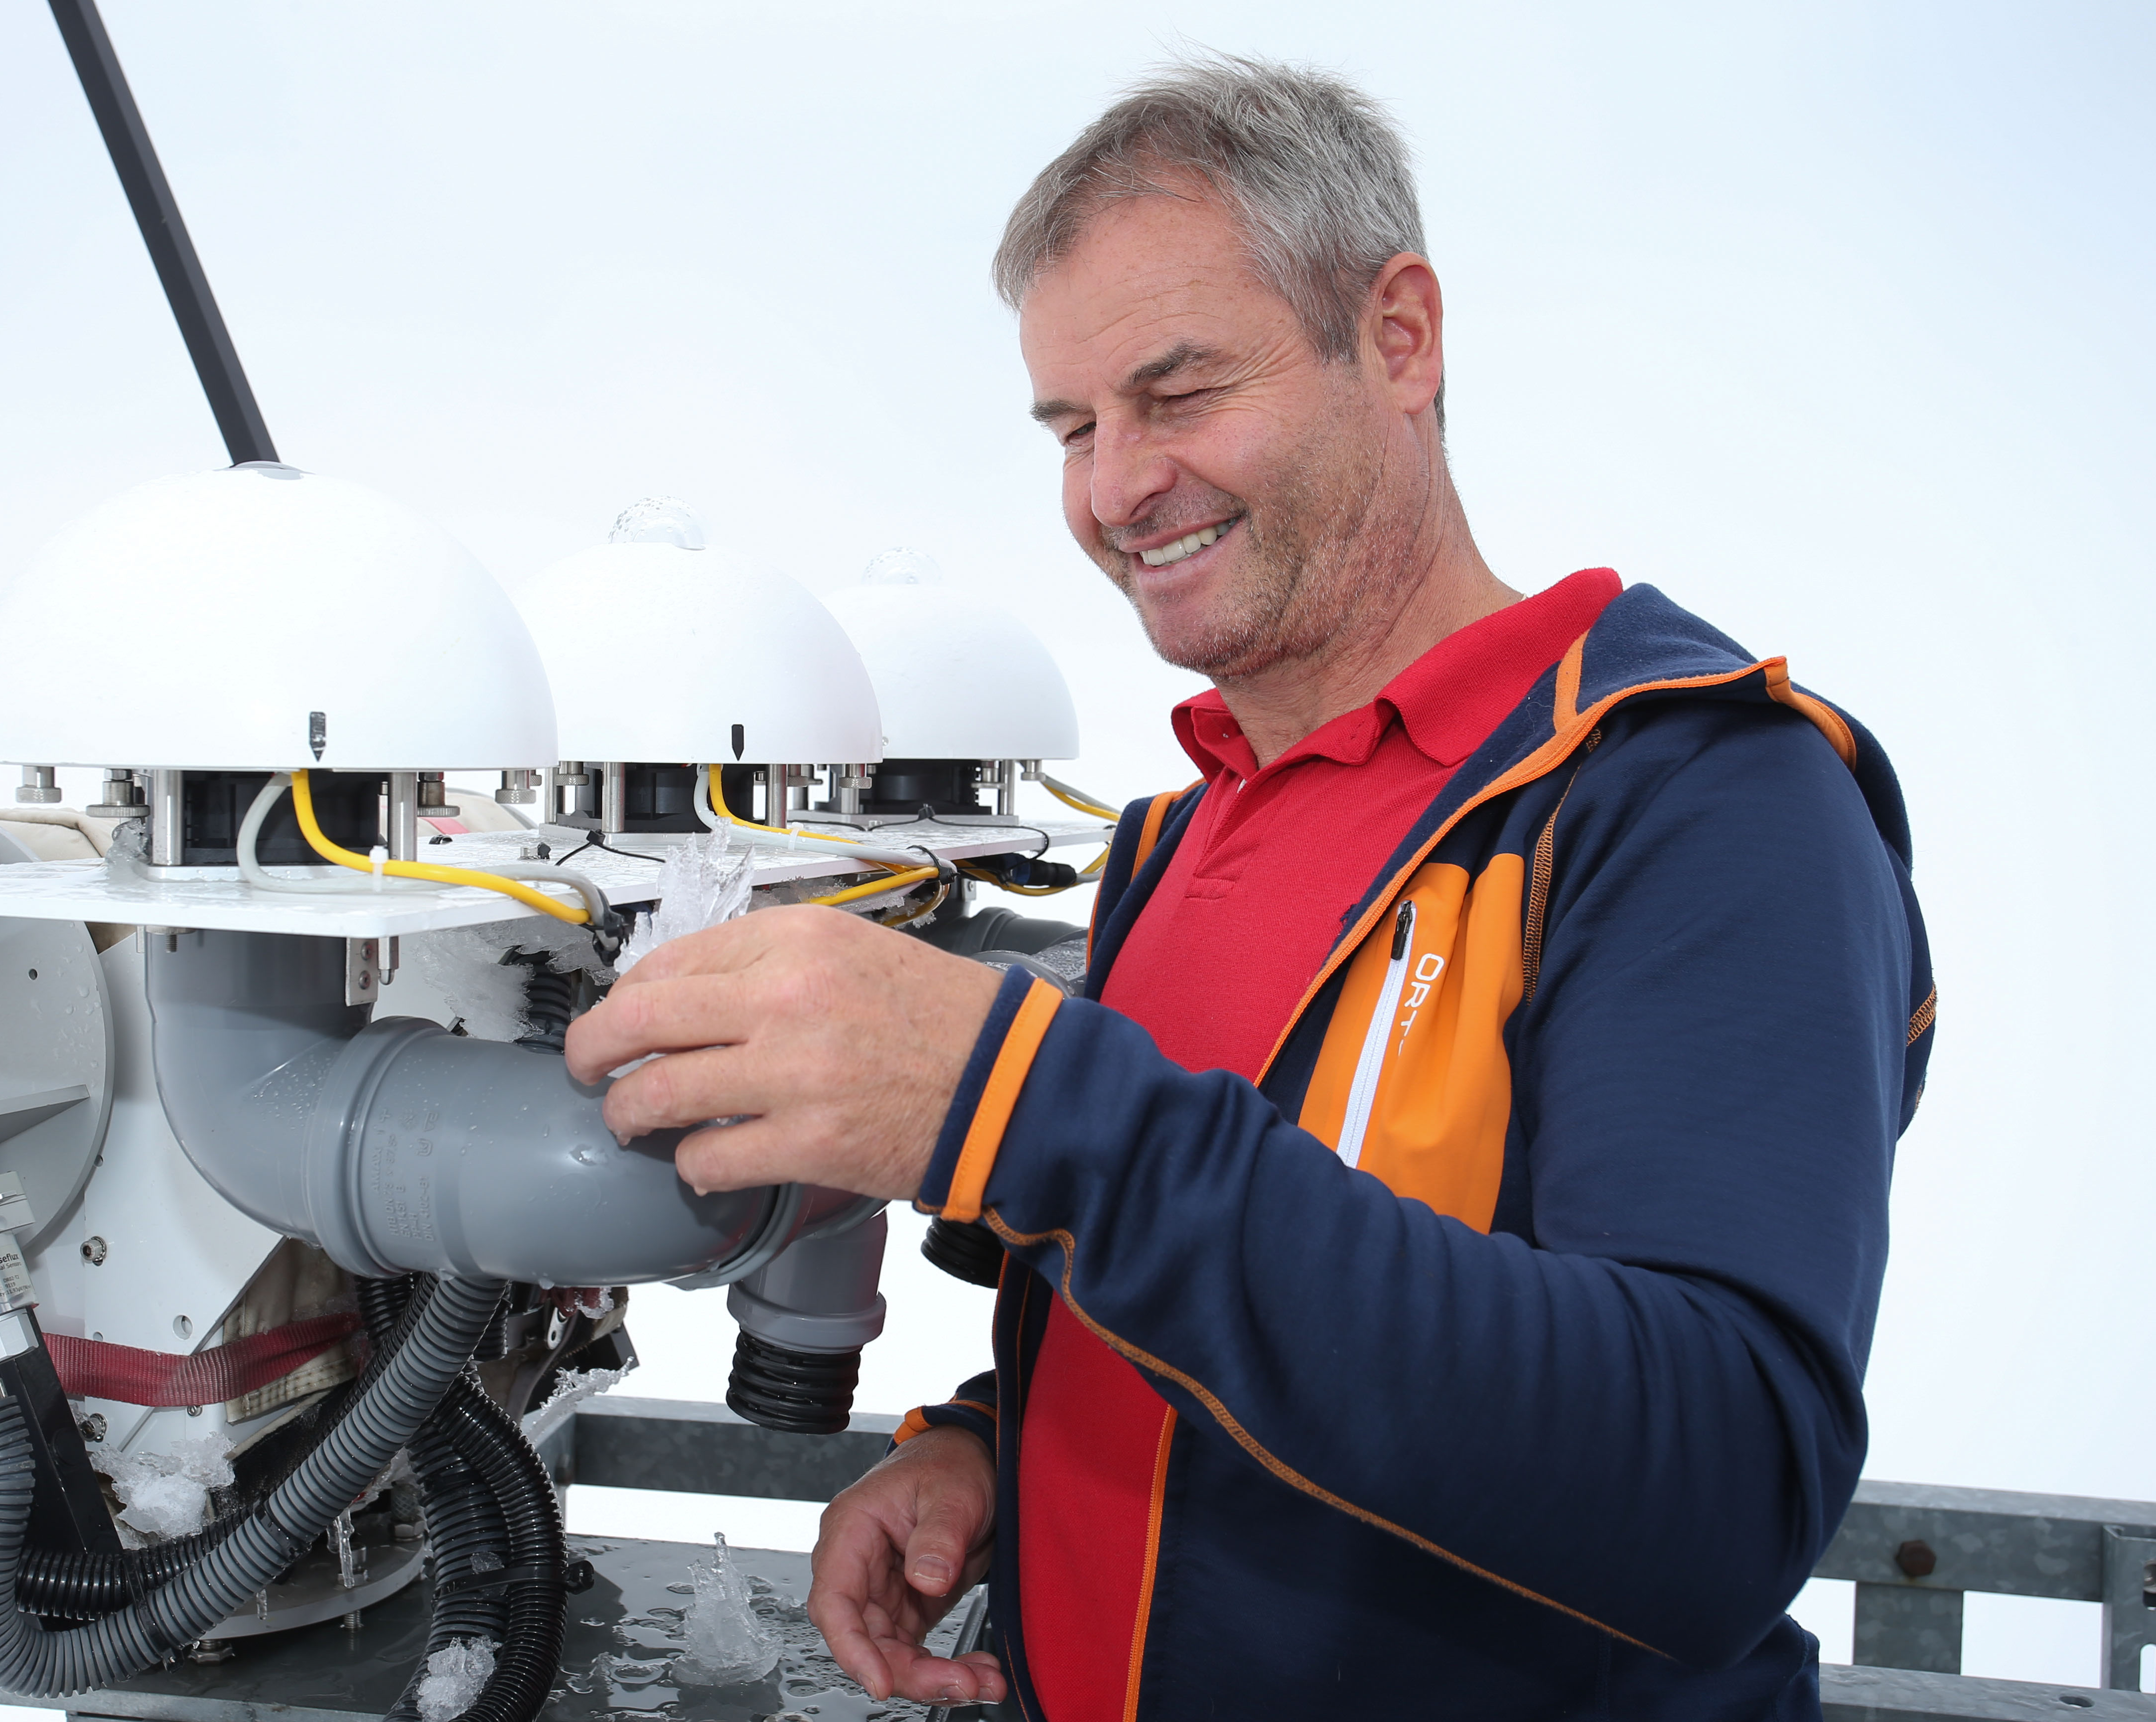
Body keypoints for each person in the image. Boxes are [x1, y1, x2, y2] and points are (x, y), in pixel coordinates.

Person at [565, 53, 1933, 1721]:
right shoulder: (1178, 840)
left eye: (1181, 392)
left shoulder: (1696, 793)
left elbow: (1718, 1488)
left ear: (1400, 338)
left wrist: (1024, 1102)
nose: (1114, 488)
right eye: (1076, 428)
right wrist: (992, 1444)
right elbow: (1198, 1279)